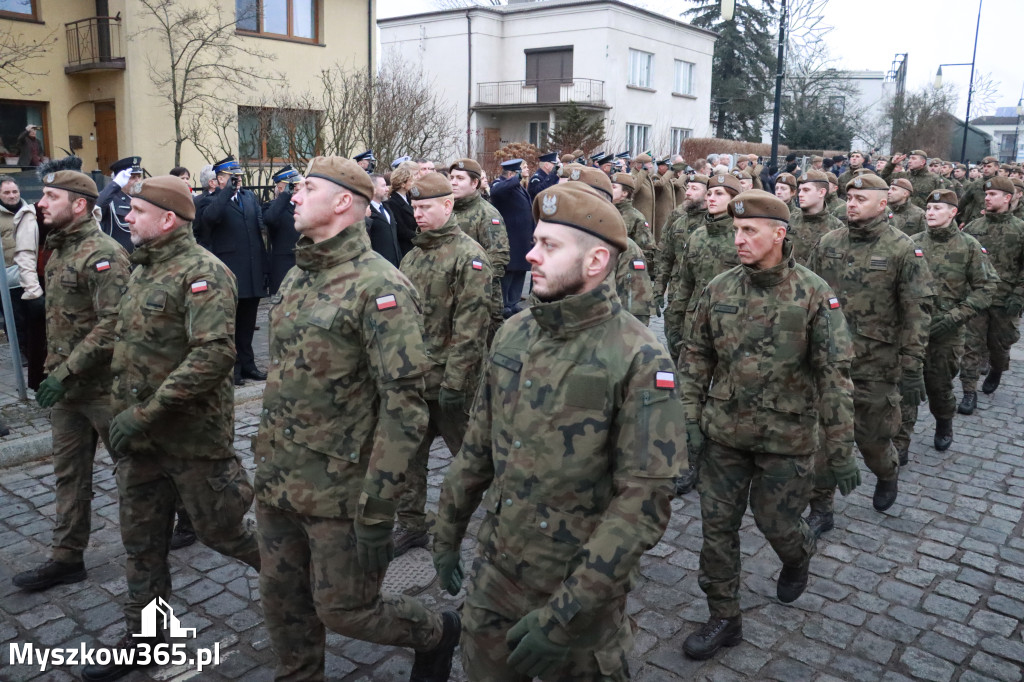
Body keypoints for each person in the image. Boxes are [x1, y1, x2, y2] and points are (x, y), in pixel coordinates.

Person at [432, 181, 684, 681]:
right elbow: (478, 445)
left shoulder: (639, 356)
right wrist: (447, 529)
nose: (531, 254)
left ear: (594, 262)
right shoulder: (514, 333)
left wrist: (566, 615)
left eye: (549, 245)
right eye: (536, 241)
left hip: (579, 590)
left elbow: (642, 503)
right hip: (497, 570)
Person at [254, 156, 460, 682]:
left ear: (343, 201)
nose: (293, 196)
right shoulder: (300, 273)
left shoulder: (379, 288)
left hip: (339, 491)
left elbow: (405, 405)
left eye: (305, 188)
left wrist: (379, 504)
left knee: (346, 609)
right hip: (279, 479)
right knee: (282, 599)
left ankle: (435, 631)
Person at [78, 176, 262, 681]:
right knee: (142, 542)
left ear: (167, 220)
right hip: (140, 443)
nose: (126, 218)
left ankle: (302, 586)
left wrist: (147, 411)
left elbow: (214, 354)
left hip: (191, 440)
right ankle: (146, 637)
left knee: (223, 533)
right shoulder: (142, 269)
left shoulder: (204, 272)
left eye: (135, 211)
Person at [679, 190, 856, 660]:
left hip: (788, 437)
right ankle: (724, 616)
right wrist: (689, 417)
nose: (738, 239)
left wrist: (840, 448)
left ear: (779, 233)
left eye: (749, 231)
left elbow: (835, 376)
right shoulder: (719, 287)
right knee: (717, 529)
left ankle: (798, 557)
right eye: (736, 231)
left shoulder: (815, 292)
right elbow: (696, 355)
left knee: (777, 524)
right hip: (725, 433)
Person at [11, 170, 130, 592]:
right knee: (69, 475)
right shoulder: (58, 249)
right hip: (67, 391)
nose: (40, 202)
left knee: (136, 469)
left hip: (104, 389)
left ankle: (185, 519)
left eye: (49, 196)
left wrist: (64, 372)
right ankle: (67, 557)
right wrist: (52, 371)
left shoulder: (105, 254)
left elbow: (114, 322)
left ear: (78, 204)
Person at [805, 173, 933, 534]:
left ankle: (887, 472)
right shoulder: (829, 242)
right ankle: (821, 507)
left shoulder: (903, 249)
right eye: (849, 197)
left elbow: (916, 311)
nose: (852, 203)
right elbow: (808, 297)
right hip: (829, 363)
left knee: (872, 439)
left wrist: (912, 367)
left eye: (862, 198)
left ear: (882, 202)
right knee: (823, 437)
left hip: (875, 365)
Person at [392, 172, 493, 556]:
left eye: (426, 207)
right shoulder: (413, 255)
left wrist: (454, 384)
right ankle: (412, 524)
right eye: (415, 207)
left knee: (474, 457)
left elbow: (471, 328)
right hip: (417, 379)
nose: (417, 214)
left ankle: (506, 521)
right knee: (409, 458)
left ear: (448, 206)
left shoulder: (470, 258)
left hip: (454, 385)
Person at [894, 189, 997, 457]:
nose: (930, 212)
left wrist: (956, 316)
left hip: (946, 332)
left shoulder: (969, 246)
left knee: (939, 387)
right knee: (905, 387)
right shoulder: (910, 243)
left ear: (953, 213)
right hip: (910, 330)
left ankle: (944, 423)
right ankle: (900, 445)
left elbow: (986, 287)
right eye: (928, 208)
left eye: (938, 209)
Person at [201, 155, 269, 385]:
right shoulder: (208, 200)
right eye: (232, 177)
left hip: (251, 269)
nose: (237, 181)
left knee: (249, 323)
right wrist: (224, 193)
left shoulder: (249, 197)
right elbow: (209, 219)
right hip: (229, 270)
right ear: (219, 179)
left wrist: (264, 267)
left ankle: (249, 364)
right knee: (231, 322)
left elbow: (258, 231)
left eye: (238, 177)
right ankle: (234, 368)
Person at [958, 176, 1024, 411]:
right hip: (976, 299)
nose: (986, 198)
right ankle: (968, 392)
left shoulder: (1020, 229)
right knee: (971, 346)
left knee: (999, 345)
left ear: (1008, 198)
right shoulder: (974, 228)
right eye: (986, 194)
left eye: (992, 195)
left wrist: (1018, 295)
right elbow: (963, 264)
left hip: (1005, 300)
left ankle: (997, 369)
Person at [665, 173, 742, 359]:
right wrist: (674, 323)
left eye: (719, 194)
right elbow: (685, 285)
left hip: (731, 327)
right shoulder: (698, 236)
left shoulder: (741, 236)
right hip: (695, 325)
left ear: (734, 199)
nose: (712, 198)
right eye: (709, 194)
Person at [449, 158, 509, 335]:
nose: (453, 182)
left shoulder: (487, 214)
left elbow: (498, 258)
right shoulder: (448, 209)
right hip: (450, 295)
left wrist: (472, 288)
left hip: (480, 297)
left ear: (475, 183)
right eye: (451, 177)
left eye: (460, 178)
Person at [657, 173, 708, 321]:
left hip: (701, 296)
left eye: (694, 189)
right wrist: (658, 291)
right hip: (676, 293)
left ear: (707, 195)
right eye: (688, 188)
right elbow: (666, 258)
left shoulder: (712, 222)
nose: (687, 192)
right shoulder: (678, 220)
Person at [490, 158, 536, 317]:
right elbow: (495, 192)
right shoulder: (500, 184)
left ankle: (514, 301)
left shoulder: (518, 187)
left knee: (521, 270)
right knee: (509, 271)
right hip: (510, 238)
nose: (526, 171)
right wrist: (515, 179)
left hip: (522, 238)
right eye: (522, 169)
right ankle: (505, 303)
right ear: (512, 173)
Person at [263, 164, 302, 294]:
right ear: (280, 187)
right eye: (292, 184)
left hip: (303, 262)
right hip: (283, 265)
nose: (296, 187)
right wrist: (285, 195)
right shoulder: (273, 206)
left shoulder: (303, 205)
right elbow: (270, 219)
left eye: (297, 184)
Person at [790, 170, 843, 264]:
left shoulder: (837, 228)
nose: (800, 194)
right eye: (800, 190)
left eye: (806, 190)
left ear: (821, 192)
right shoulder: (789, 221)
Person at [96, 156, 143, 253]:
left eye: (139, 176)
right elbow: (97, 208)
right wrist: (115, 185)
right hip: (117, 258)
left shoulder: (141, 199)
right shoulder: (109, 198)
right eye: (132, 177)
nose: (137, 181)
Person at [611, 172, 655, 264]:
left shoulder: (636, 218)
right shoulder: (606, 212)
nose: (609, 189)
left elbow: (647, 252)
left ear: (624, 193)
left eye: (614, 187)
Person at [386, 160, 423, 257]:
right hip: (406, 248)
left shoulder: (408, 198)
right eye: (411, 181)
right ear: (402, 184)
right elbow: (401, 230)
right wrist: (420, 236)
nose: (413, 182)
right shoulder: (393, 202)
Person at [366, 173, 402, 267]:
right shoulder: (366, 211)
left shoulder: (387, 208)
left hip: (396, 264)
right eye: (383, 186)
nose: (387, 189)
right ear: (373, 189)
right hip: (379, 266)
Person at [958, 156, 1000, 225]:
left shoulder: (1002, 183)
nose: (986, 169)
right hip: (976, 220)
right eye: (984, 166)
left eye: (989, 166)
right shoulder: (976, 183)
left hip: (995, 221)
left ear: (996, 168)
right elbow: (965, 200)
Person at [631, 153, 658, 235]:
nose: (651, 166)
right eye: (649, 164)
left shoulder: (646, 176)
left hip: (647, 218)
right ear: (642, 165)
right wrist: (643, 172)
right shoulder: (633, 175)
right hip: (639, 219)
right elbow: (634, 189)